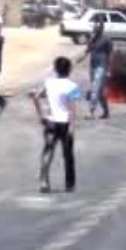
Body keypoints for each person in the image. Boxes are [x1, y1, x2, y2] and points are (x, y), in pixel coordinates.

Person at [29, 56, 80, 193]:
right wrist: (72, 125)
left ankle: (44, 181)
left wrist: (41, 116)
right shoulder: (72, 86)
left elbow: (35, 96)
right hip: (65, 123)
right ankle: (70, 183)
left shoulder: (49, 83)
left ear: (56, 69)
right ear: (69, 69)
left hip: (50, 122)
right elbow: (72, 107)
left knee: (48, 152)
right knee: (68, 154)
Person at [77, 20, 113, 119]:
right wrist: (79, 60)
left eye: (97, 28)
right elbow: (87, 51)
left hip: (101, 67)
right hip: (93, 67)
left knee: (95, 89)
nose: (95, 29)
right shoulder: (93, 39)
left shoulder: (107, 40)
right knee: (99, 91)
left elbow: (110, 55)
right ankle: (106, 112)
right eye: (94, 27)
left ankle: (91, 112)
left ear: (101, 29)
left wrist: (109, 69)